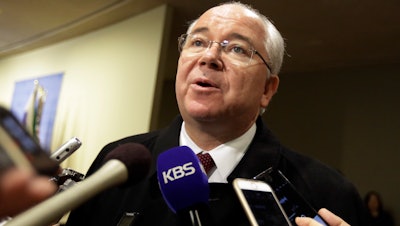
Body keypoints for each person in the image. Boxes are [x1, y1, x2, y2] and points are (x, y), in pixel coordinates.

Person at [66, 2, 369, 225]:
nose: (209, 57)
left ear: (267, 88)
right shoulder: (118, 164)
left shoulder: (326, 191)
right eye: (197, 42)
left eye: (237, 49)